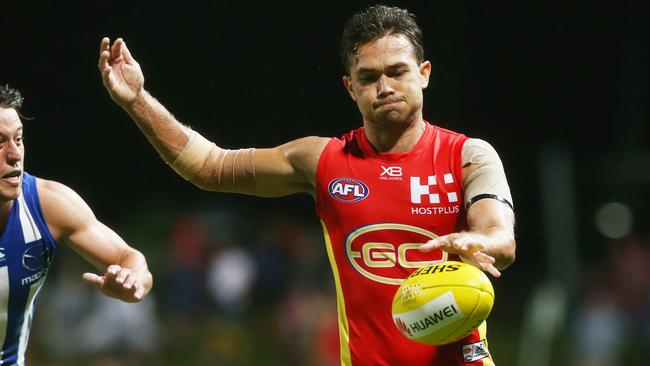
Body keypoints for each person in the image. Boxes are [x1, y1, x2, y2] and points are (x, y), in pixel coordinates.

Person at [99, 4, 515, 365]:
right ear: (350, 87)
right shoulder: (323, 160)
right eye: (369, 77)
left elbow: (500, 236)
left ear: (423, 74)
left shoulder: (468, 156)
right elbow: (209, 165)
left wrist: (478, 242)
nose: (384, 87)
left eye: (397, 72)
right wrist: (137, 101)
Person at [0, 84, 153, 365]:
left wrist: (133, 283)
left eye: (18, 139)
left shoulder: (47, 205)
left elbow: (129, 258)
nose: (14, 154)